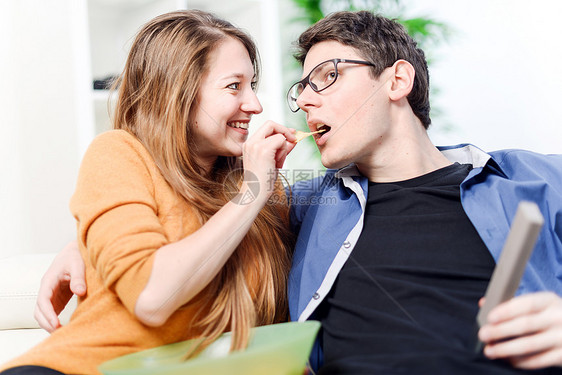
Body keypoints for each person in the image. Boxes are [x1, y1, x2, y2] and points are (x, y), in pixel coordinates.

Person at [31, 9, 562, 375]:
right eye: (300, 86)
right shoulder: (307, 204)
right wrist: (86, 237)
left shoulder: (531, 180)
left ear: (397, 81)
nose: (302, 100)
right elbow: (189, 228)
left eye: (326, 76)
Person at [0, 9, 296, 375]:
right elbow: (152, 298)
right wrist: (252, 193)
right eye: (234, 86)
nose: (255, 104)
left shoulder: (262, 188)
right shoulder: (119, 153)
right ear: (179, 91)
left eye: (252, 85)